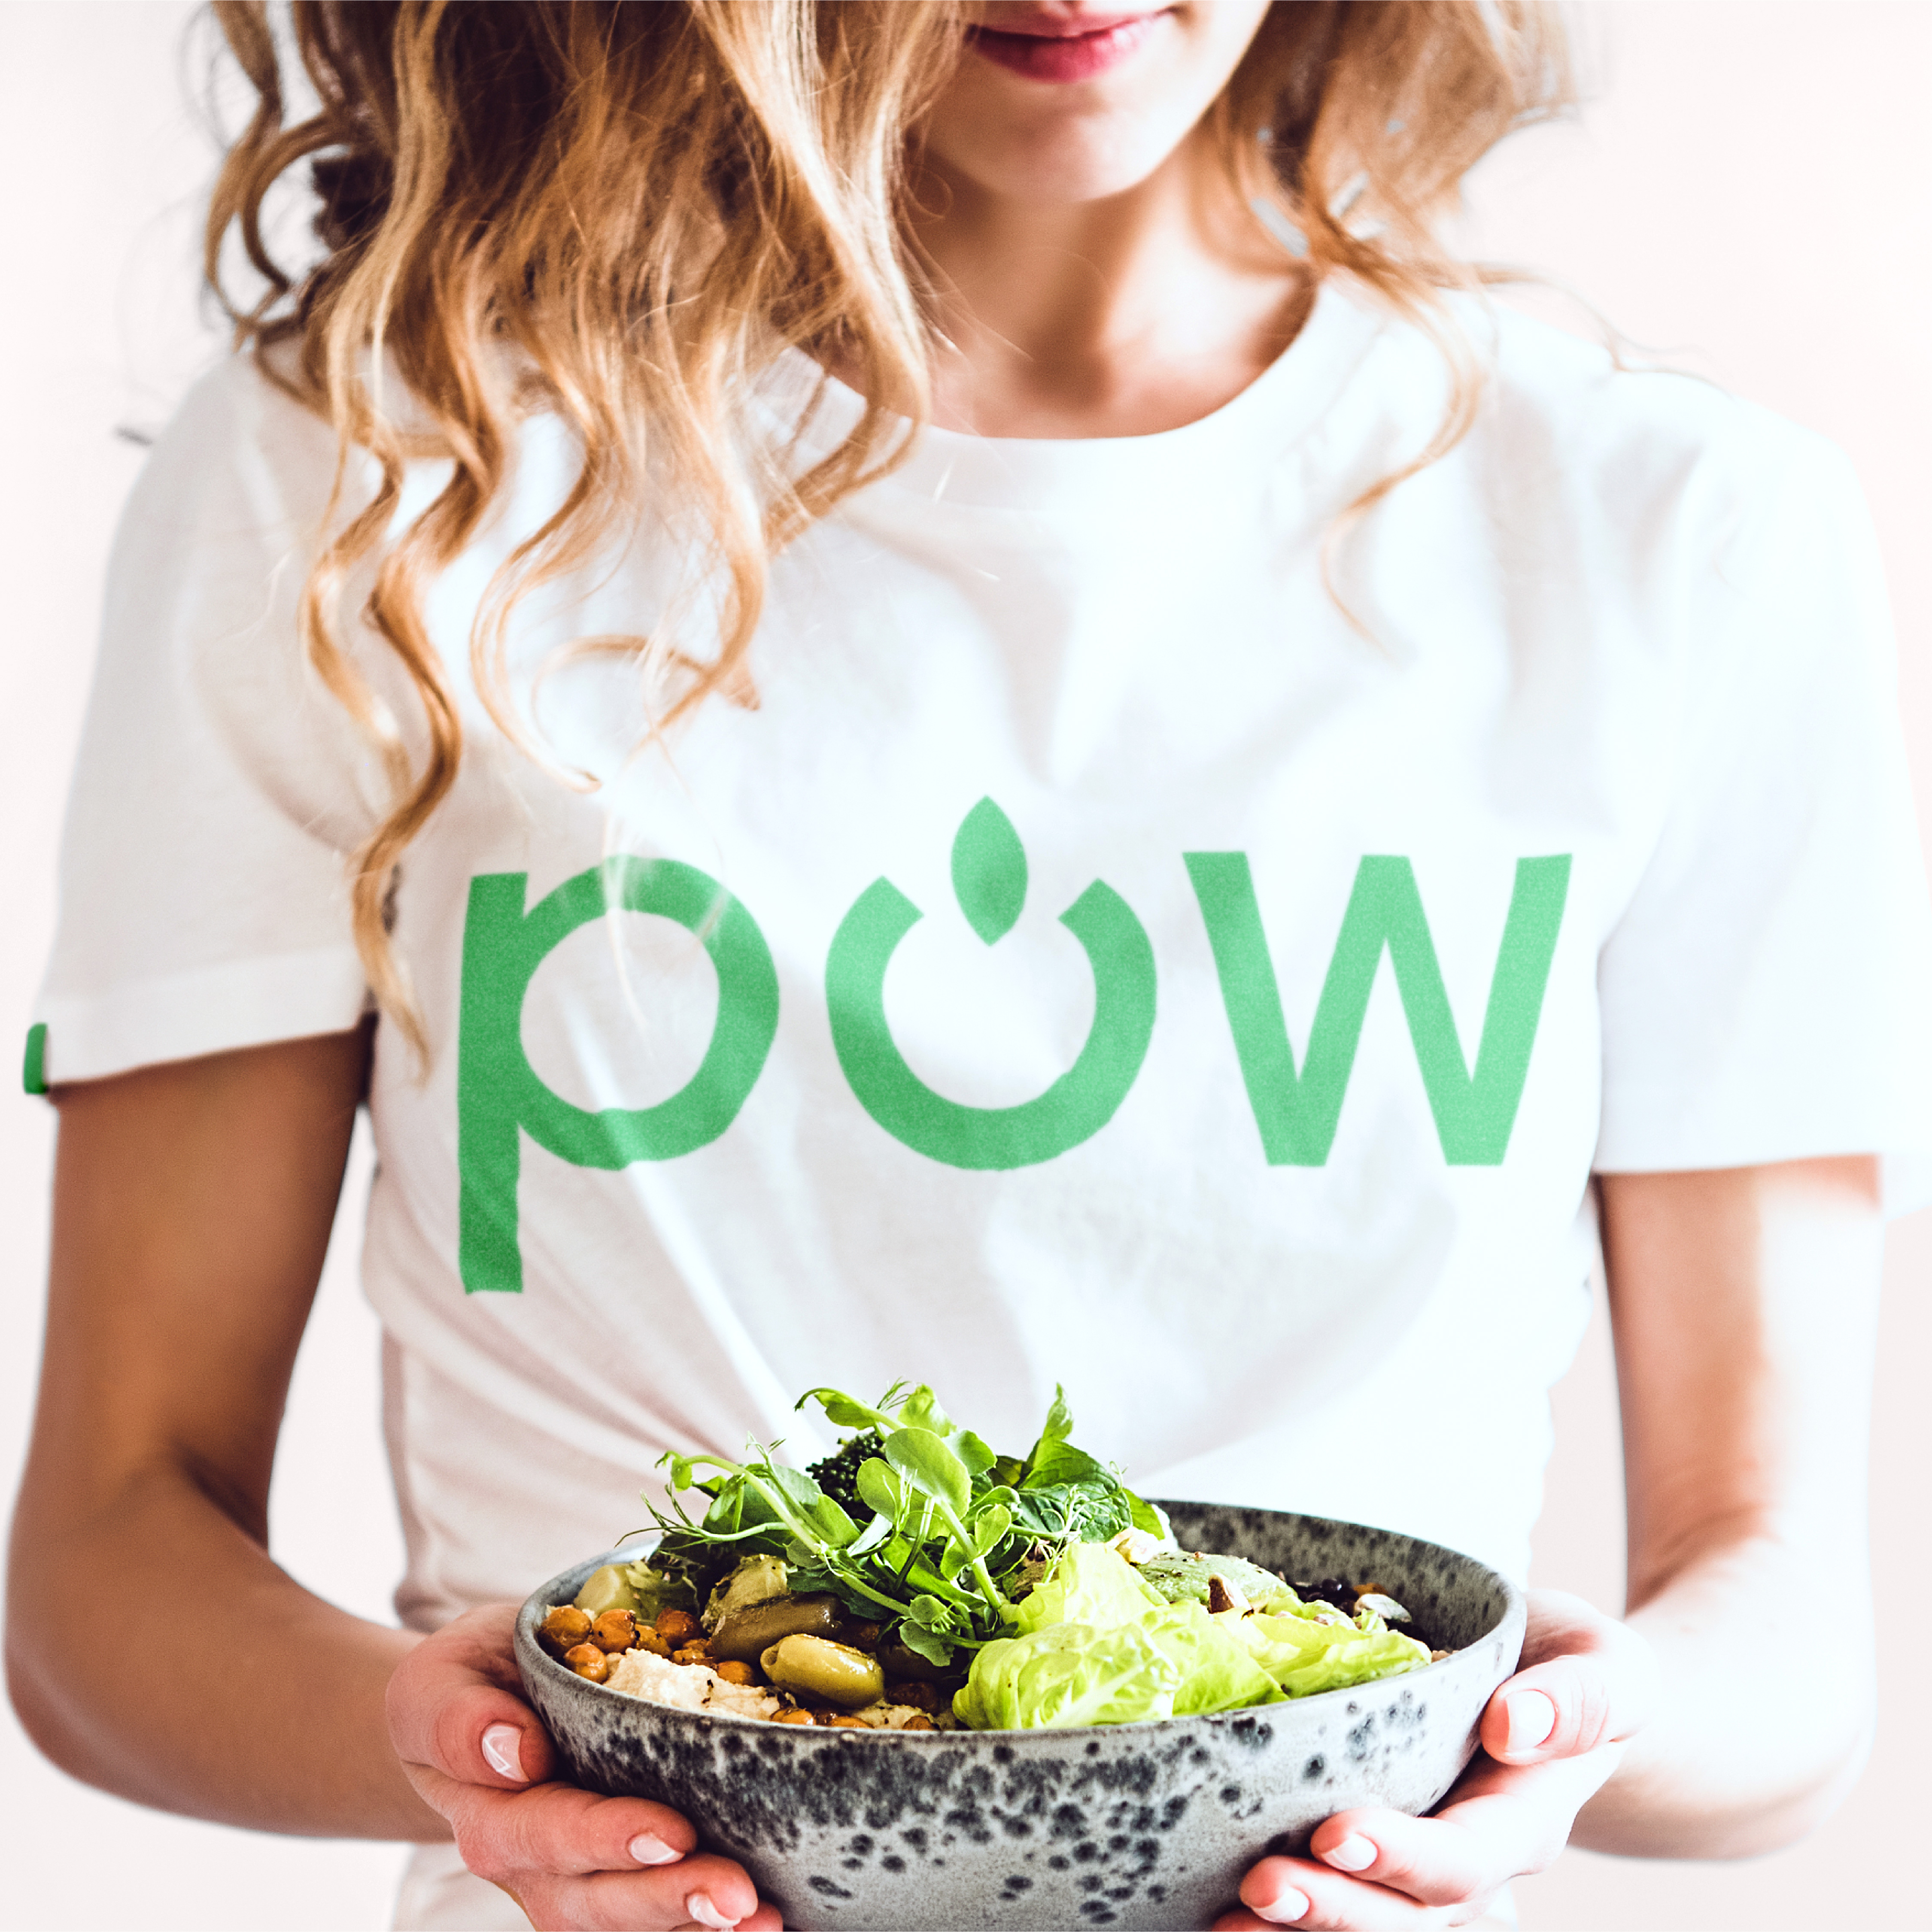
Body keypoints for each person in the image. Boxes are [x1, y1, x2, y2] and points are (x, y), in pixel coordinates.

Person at [9, 3, 1928, 1929]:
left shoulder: (1670, 532)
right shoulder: (372, 470)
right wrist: (450, 1741)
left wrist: (1545, 1731)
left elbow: (1780, 1647)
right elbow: (107, 1564)